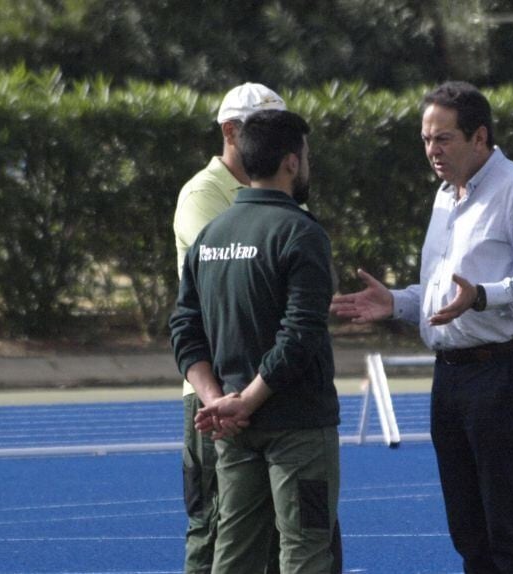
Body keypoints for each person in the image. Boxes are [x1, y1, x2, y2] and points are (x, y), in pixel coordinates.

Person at [330, 81, 513, 574]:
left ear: (480, 137)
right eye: (425, 140)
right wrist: (395, 302)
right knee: (467, 530)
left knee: (508, 526)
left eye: (443, 139)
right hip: (451, 376)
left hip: (503, 370)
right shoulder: (444, 198)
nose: (432, 151)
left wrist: (483, 295)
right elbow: (442, 297)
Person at [170, 109, 342, 574]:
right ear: (291, 161)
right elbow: (300, 334)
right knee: (305, 552)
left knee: (234, 554)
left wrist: (217, 400)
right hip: (297, 426)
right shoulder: (301, 233)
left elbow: (185, 328)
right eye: (306, 156)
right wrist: (246, 400)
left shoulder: (211, 236)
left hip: (233, 430)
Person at [172, 82, 288, 574]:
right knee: (214, 528)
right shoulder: (204, 193)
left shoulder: (275, 193)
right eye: (263, 130)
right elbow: (232, 284)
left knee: (279, 535)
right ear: (229, 132)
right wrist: (219, 399)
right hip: (215, 389)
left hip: (264, 384)